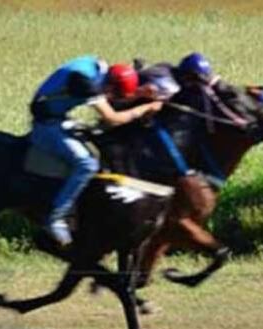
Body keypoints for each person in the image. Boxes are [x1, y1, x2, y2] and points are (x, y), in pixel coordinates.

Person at [29, 55, 164, 245]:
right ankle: (56, 217)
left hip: (59, 117)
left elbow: (110, 93)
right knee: (87, 163)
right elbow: (113, 118)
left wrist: (140, 94)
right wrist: (147, 107)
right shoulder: (86, 82)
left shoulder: (99, 71)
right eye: (114, 95)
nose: (112, 98)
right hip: (46, 125)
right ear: (109, 87)